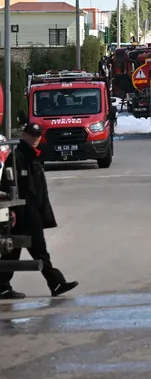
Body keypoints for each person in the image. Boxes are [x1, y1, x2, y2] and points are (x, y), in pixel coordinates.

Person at [0, 122, 79, 299]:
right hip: (24, 214)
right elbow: (8, 186)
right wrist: (15, 211)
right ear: (24, 135)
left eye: (38, 136)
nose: (36, 139)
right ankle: (55, 283)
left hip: (32, 212)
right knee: (36, 251)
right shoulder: (17, 157)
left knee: (13, 251)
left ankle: (3, 286)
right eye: (33, 135)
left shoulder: (32, 158)